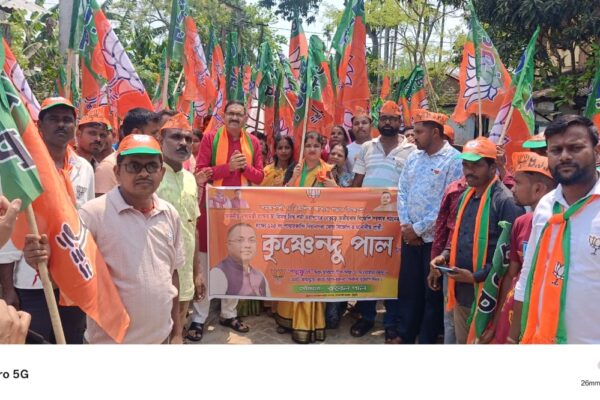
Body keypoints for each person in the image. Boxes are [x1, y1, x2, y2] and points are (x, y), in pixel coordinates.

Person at [24, 134, 185, 344]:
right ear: (117, 172)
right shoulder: (93, 214)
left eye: (152, 166)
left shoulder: (169, 213)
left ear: (161, 173)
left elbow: (172, 275)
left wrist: (177, 333)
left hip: (161, 338)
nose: (144, 173)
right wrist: (44, 262)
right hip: (109, 342)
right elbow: (70, 276)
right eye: (134, 166)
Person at [0, 97, 94, 344]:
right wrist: (7, 288)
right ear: (39, 125)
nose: (61, 125)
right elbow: (9, 234)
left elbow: (86, 224)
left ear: (75, 126)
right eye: (53, 119)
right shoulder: (23, 170)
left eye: (67, 120)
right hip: (32, 280)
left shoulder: (84, 168)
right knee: (37, 343)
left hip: (74, 275)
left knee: (72, 340)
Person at [513, 115, 600, 344]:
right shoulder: (545, 205)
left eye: (575, 148)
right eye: (556, 150)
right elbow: (528, 273)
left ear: (597, 152)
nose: (564, 156)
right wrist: (514, 338)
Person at [429, 136, 524, 344]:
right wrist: (444, 256)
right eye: (466, 165)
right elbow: (458, 235)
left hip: (489, 296)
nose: (469, 171)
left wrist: (475, 277)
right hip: (461, 290)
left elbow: (507, 258)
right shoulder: (466, 196)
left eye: (476, 165)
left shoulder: (505, 202)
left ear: (493, 167)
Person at [188, 100, 264, 340]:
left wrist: (244, 169)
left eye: (239, 114)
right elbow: (201, 172)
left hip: (240, 211)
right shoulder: (210, 139)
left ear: (245, 119)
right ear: (223, 115)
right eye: (231, 113)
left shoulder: (253, 142)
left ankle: (229, 313)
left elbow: (259, 176)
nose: (235, 117)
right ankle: (199, 317)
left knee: (237, 261)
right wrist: (227, 168)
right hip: (211, 210)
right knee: (205, 261)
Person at [394, 109, 463, 345]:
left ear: (435, 132)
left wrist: (419, 229)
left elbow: (448, 205)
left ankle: (426, 340)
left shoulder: (454, 161)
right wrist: (406, 225)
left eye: (419, 132)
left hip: (435, 241)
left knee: (431, 292)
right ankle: (405, 334)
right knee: (409, 289)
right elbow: (402, 191)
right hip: (409, 236)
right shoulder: (413, 157)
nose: (414, 136)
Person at [349, 100, 415, 338]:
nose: (388, 123)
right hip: (367, 222)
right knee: (367, 269)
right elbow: (357, 183)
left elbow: (412, 187)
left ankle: (390, 322)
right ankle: (366, 317)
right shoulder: (367, 148)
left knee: (393, 272)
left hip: (397, 224)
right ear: (379, 121)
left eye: (393, 119)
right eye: (384, 118)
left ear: (400, 122)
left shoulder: (412, 151)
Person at [478, 152, 555, 344]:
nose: (512, 188)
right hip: (514, 308)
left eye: (518, 183)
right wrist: (496, 324)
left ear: (538, 189)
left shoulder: (559, 226)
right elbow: (512, 276)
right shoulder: (520, 223)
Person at [276, 131, 336, 344]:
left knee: (311, 277)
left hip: (317, 234)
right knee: (293, 275)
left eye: (315, 146)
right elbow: (281, 197)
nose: (311, 149)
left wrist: (334, 188)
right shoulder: (296, 168)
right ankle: (288, 319)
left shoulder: (328, 171)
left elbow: (340, 201)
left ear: (322, 149)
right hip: (294, 231)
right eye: (308, 145)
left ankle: (309, 324)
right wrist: (293, 178)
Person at [156, 113, 206, 332]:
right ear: (160, 140)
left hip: (185, 271)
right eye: (176, 137)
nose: (183, 143)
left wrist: (197, 272)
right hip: (158, 270)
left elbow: (193, 228)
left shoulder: (190, 179)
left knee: (179, 330)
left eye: (188, 139)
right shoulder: (152, 176)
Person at [94, 108, 161, 196]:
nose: (159, 138)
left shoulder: (158, 162)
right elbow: (103, 204)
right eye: (154, 133)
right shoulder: (108, 167)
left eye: (151, 166)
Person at [210, 223, 270, 297]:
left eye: (252, 240)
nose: (247, 245)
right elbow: (214, 303)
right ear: (228, 245)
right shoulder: (218, 273)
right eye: (240, 240)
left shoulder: (260, 276)